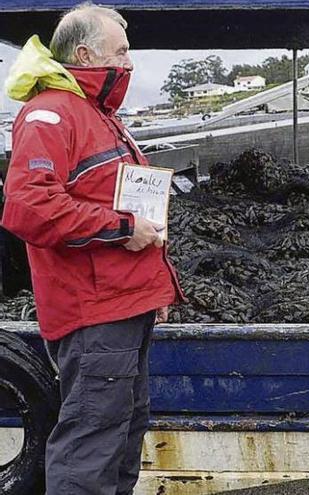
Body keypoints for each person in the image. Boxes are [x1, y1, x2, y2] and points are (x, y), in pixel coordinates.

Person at [2, 3, 182, 493]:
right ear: (85, 52)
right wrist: (121, 228)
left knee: (122, 437)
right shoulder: (52, 113)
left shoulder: (98, 114)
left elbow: (121, 199)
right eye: (121, 51)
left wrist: (153, 293)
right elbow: (28, 205)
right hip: (93, 314)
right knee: (90, 449)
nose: (130, 62)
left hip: (124, 307)